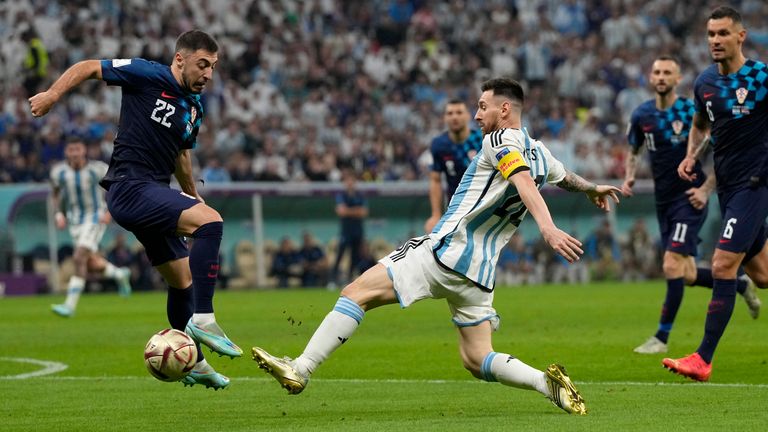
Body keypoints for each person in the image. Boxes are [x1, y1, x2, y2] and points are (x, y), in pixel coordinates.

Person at [252, 77, 622, 415]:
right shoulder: (541, 152)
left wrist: (548, 228)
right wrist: (592, 187)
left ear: (504, 109)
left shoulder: (498, 141)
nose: (477, 115)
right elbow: (565, 177)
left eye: (482, 106)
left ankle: (300, 368)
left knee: (354, 293)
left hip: (443, 253)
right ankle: (546, 383)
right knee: (477, 359)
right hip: (479, 274)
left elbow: (523, 182)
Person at [29, 30, 241, 390]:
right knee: (211, 224)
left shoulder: (194, 107)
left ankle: (196, 364)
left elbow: (180, 155)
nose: (208, 74)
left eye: (213, 67)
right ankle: (203, 320)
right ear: (180, 59)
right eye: (202, 64)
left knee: (182, 281)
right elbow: (88, 66)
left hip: (153, 192)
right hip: (129, 187)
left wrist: (192, 194)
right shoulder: (146, 74)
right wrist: (52, 94)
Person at [623, 56, 761, 354]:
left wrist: (705, 189)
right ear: (650, 77)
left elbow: (717, 145)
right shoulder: (641, 114)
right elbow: (632, 149)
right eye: (656, 72)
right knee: (684, 273)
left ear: (677, 78)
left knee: (670, 264)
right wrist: (630, 178)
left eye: (667, 73)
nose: (661, 77)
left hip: (690, 199)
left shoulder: (690, 110)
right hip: (664, 202)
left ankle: (661, 338)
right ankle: (739, 285)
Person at [667, 6, 768, 381]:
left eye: (723, 33)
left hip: (755, 185)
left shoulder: (760, 78)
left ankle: (703, 359)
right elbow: (700, 124)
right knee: (762, 275)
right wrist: (691, 156)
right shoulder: (705, 83)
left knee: (724, 264)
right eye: (711, 34)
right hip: (727, 188)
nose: (715, 40)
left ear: (740, 36)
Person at [49, 137, 132, 317]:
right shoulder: (59, 172)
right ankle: (120, 274)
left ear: (84, 150)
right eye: (71, 150)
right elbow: (55, 193)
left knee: (79, 257)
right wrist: (59, 214)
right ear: (66, 152)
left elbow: (115, 188)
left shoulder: (97, 169)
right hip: (75, 222)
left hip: (94, 218)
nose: (75, 153)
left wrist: (109, 212)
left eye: (78, 149)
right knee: (91, 263)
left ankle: (69, 306)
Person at [424, 99, 484, 233]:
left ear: (468, 115)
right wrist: (435, 215)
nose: (454, 117)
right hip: (455, 209)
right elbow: (435, 180)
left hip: (485, 206)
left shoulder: (482, 140)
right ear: (444, 118)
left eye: (459, 112)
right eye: (450, 113)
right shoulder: (439, 145)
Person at [329, 171, 368, 286]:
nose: (350, 183)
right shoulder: (341, 196)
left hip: (357, 231)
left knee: (354, 257)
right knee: (340, 255)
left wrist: (348, 211)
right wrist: (356, 211)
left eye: (352, 181)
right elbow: (341, 211)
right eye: (348, 181)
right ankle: (332, 280)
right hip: (345, 231)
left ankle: (350, 281)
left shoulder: (360, 196)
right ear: (345, 183)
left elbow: (364, 212)